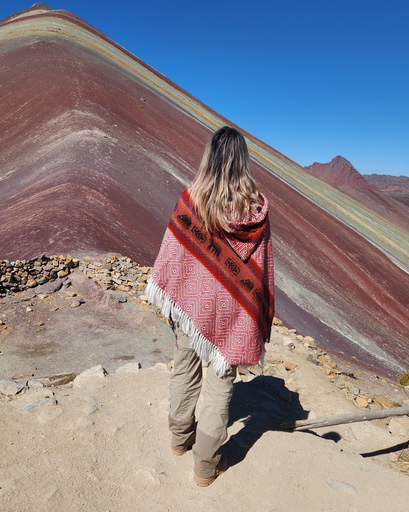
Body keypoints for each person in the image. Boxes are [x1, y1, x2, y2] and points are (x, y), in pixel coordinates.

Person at [145, 126, 274, 486]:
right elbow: (261, 269)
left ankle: (179, 438)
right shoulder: (256, 211)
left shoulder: (193, 199)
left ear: (210, 156)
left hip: (191, 305)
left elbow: (174, 251)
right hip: (233, 315)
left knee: (184, 369)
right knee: (220, 387)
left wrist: (173, 294)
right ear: (243, 161)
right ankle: (205, 466)